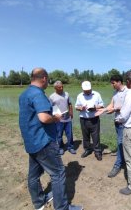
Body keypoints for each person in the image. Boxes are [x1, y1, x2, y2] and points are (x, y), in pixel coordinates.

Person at [19, 68, 83, 210]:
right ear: (44, 79)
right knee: (59, 173)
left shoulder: (24, 94)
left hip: (31, 141)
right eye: (48, 80)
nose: (48, 82)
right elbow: (43, 117)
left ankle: (39, 202)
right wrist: (55, 118)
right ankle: (62, 207)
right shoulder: (38, 94)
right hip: (43, 142)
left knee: (34, 175)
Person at [75, 81, 104, 161]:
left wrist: (95, 108)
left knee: (96, 136)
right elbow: (76, 106)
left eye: (88, 90)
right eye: (85, 90)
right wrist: (80, 108)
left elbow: (102, 105)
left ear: (91, 88)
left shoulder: (97, 94)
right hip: (83, 119)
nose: (87, 91)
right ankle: (87, 149)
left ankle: (97, 151)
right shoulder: (79, 96)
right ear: (82, 89)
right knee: (85, 136)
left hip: (94, 118)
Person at [105, 75, 128, 178]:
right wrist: (102, 110)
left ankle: (118, 165)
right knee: (121, 143)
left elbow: (129, 107)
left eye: (113, 83)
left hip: (125, 123)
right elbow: (111, 104)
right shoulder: (115, 93)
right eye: (111, 83)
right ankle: (124, 161)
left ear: (119, 82)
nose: (112, 85)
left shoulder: (128, 91)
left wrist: (115, 109)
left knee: (120, 143)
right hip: (117, 122)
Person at [49, 81, 76, 155]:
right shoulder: (52, 97)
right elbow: (50, 108)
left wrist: (71, 112)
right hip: (58, 119)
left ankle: (70, 147)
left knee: (69, 134)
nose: (61, 88)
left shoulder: (66, 94)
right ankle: (60, 147)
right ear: (55, 88)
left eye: (62, 86)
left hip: (67, 118)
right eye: (59, 87)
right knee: (59, 135)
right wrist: (54, 117)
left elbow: (70, 104)